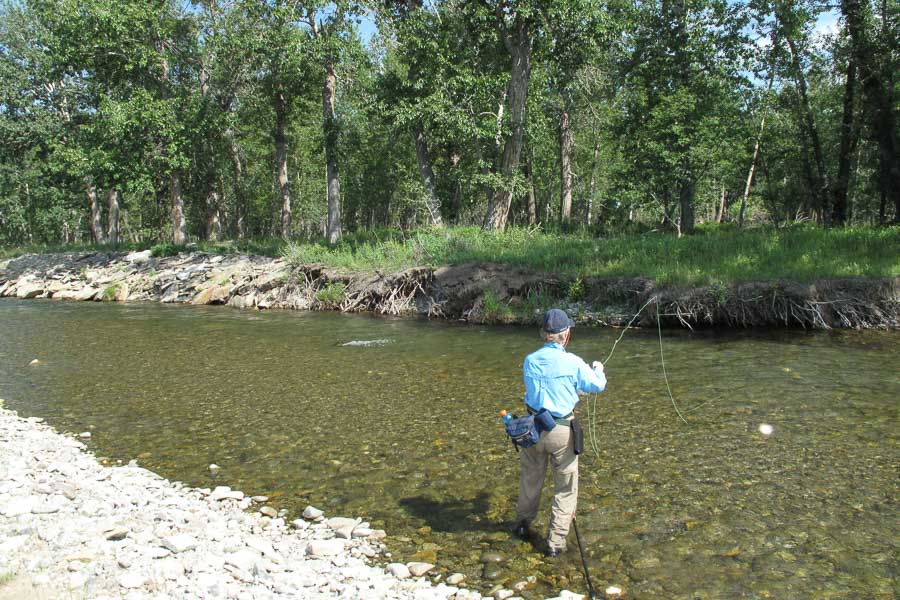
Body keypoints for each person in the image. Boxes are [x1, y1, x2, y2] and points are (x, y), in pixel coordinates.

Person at [514, 308, 606, 557]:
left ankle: (523, 524)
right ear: (566, 335)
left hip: (532, 431)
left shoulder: (529, 360)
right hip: (561, 432)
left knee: (530, 479)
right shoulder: (574, 362)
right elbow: (597, 385)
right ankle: (555, 543)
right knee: (565, 487)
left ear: (544, 334)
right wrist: (598, 368)